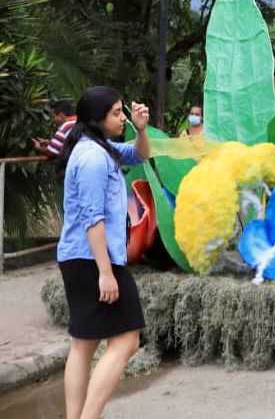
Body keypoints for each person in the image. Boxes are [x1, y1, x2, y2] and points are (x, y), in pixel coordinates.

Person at [55, 86, 151, 419]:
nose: (122, 117)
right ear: (97, 119)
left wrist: (141, 129)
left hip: (78, 258)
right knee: (127, 340)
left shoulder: (99, 148)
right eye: (116, 113)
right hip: (93, 259)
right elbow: (92, 218)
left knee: (83, 344)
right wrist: (106, 272)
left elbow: (139, 155)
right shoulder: (95, 158)